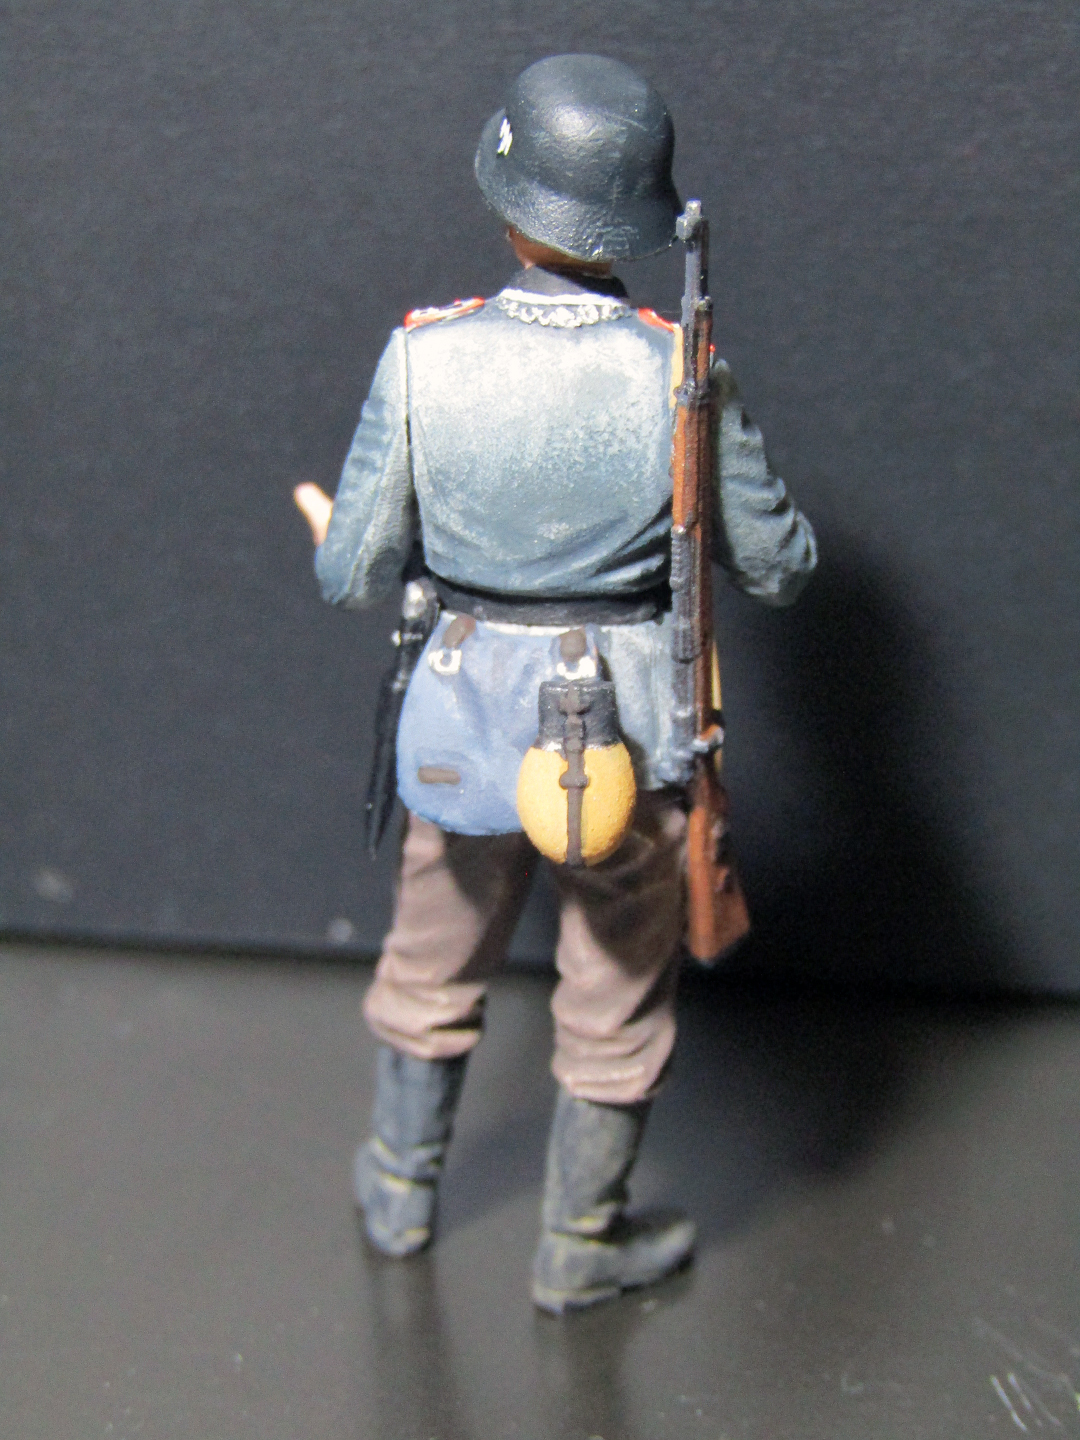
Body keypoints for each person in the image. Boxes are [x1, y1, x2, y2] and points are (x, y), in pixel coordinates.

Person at [294, 53, 816, 1313]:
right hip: (628, 733)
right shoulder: (678, 368)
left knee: (431, 962)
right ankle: (580, 1242)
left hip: (465, 728)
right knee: (617, 990)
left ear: (510, 201)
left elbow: (351, 573)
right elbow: (782, 566)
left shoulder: (424, 358)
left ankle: (398, 1191)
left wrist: (340, 536)